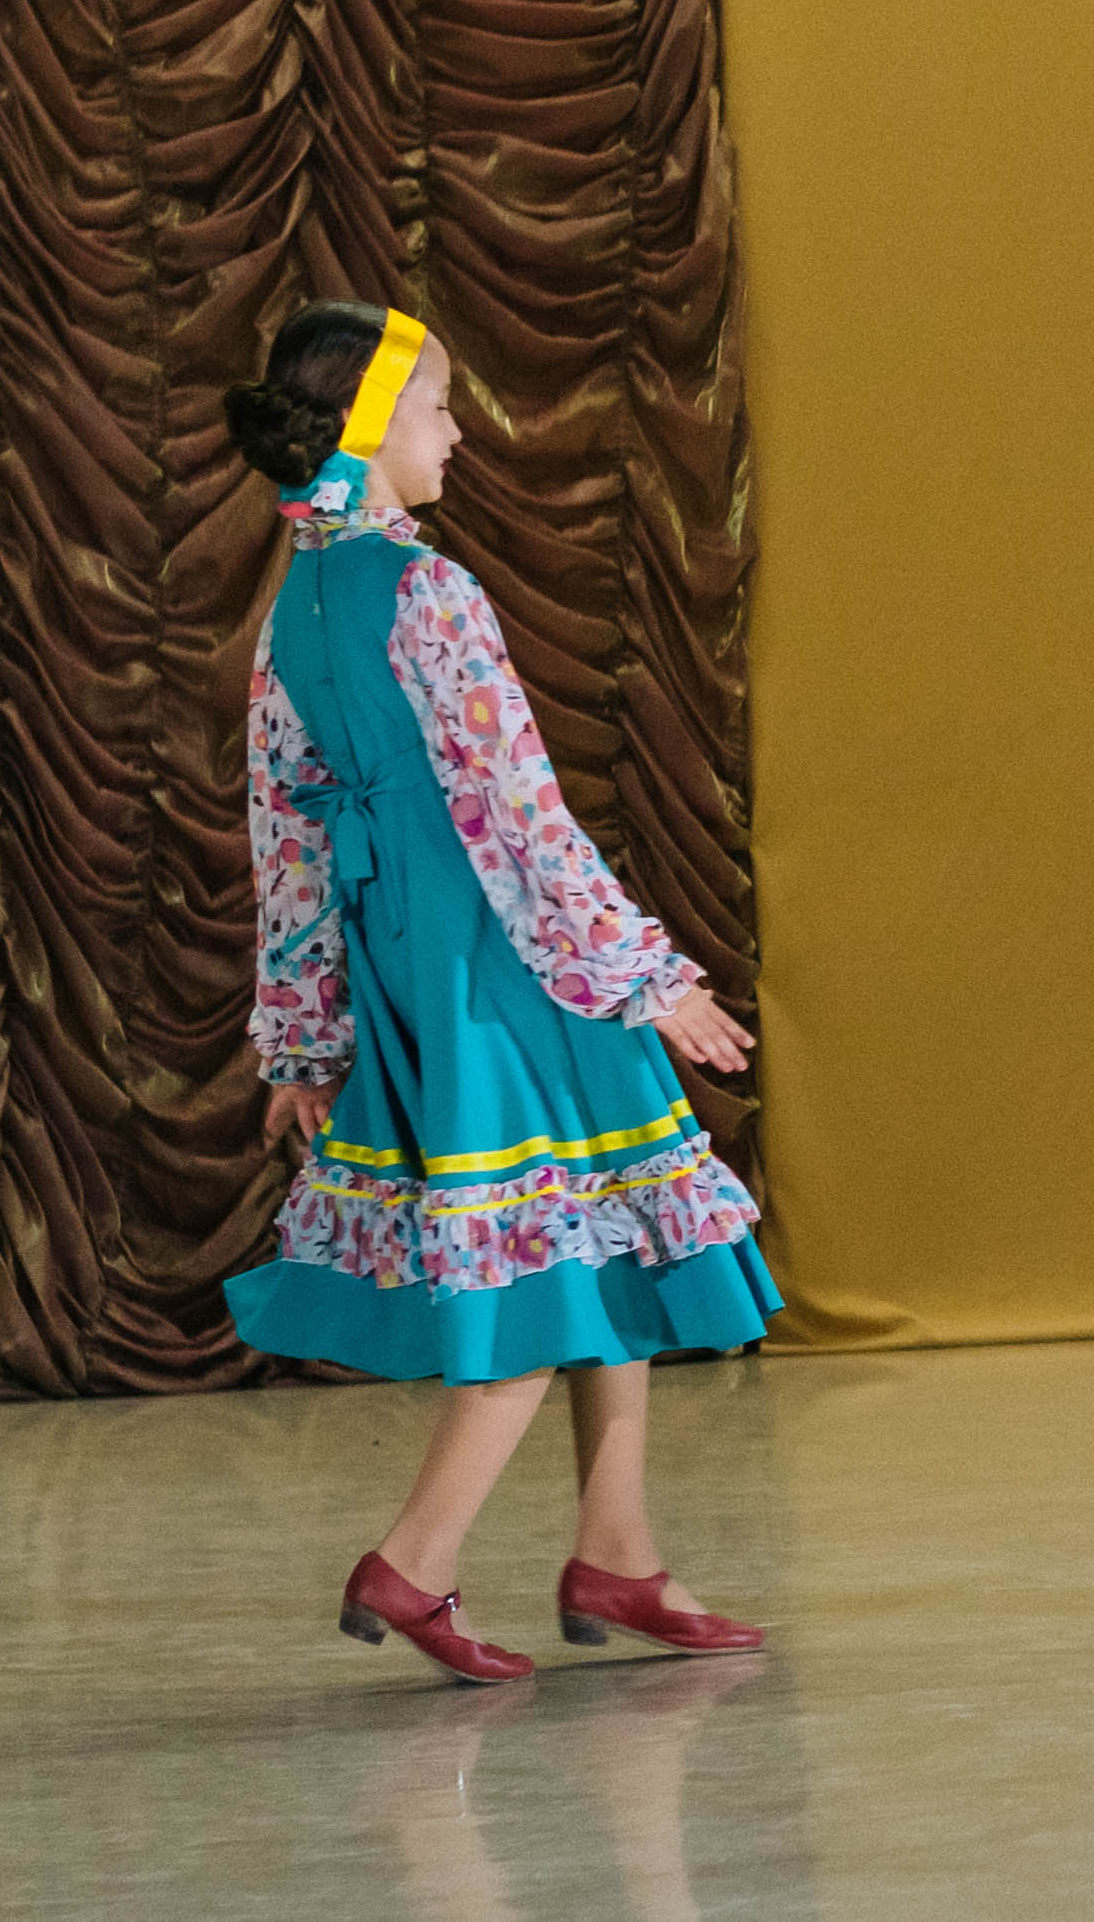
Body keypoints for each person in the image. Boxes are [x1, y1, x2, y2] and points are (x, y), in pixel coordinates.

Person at [221, 299, 780, 1681]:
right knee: (537, 1261)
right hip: (505, 962)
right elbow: (518, 816)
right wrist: (646, 979)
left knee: (601, 1232)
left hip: (416, 961)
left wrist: (304, 1036)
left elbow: (285, 841)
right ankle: (413, 1563)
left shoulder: (296, 608)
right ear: (367, 428)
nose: (457, 433)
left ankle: (619, 1551)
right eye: (436, 409)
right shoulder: (427, 594)